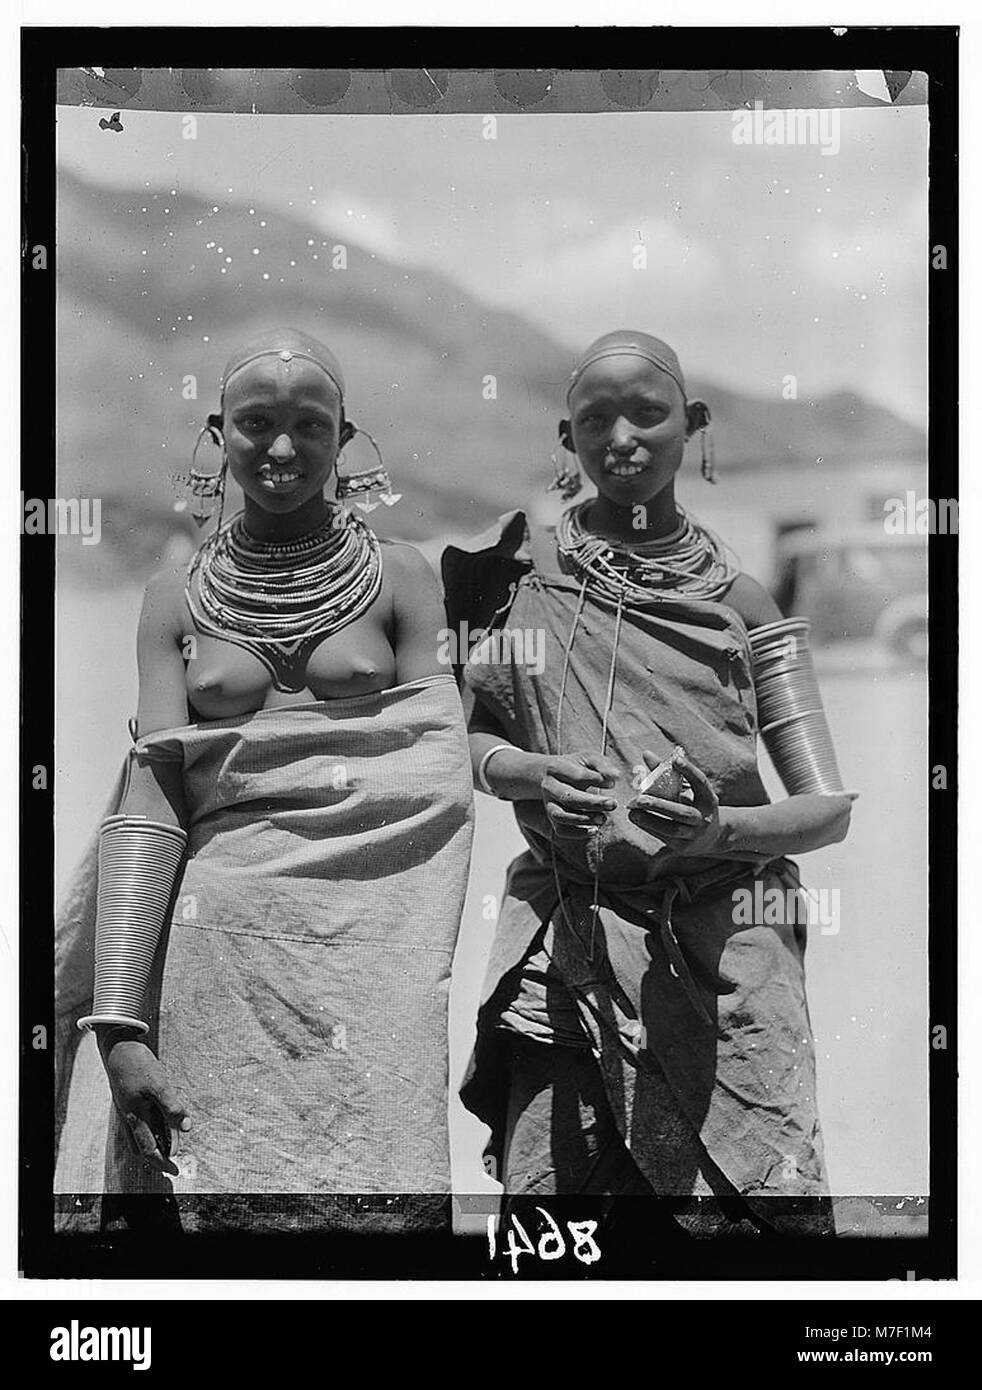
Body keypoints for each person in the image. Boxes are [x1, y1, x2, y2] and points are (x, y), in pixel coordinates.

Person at [55, 328, 474, 1232]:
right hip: (214, 943)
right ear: (218, 432)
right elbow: (155, 790)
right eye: (255, 423)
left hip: (377, 949)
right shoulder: (175, 594)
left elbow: (436, 775)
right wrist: (120, 1023)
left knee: (374, 1193)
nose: (281, 449)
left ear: (344, 435)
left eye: (308, 426)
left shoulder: (404, 577)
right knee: (208, 1192)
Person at [443, 330, 856, 1236]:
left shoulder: (746, 605)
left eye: (648, 414)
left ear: (693, 427)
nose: (621, 436)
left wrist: (717, 837)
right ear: (568, 439)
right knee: (556, 1213)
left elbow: (825, 812)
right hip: (568, 928)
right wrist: (532, 772)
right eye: (595, 420)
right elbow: (466, 739)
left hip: (724, 950)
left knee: (745, 1212)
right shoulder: (517, 579)